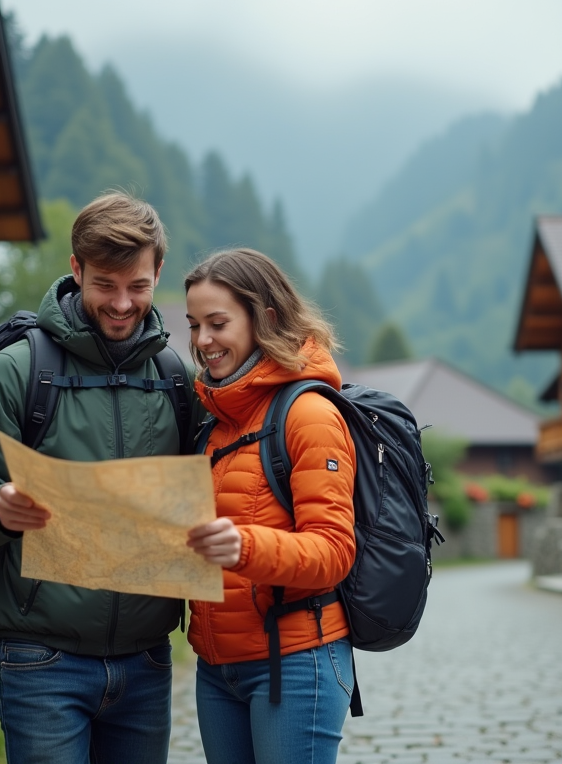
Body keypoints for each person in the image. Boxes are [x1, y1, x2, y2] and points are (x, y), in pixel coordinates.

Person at [0, 192, 204, 764]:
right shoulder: (17, 371)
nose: (121, 303)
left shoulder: (178, 380)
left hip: (148, 662)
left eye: (138, 286)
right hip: (42, 664)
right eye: (105, 284)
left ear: (159, 272)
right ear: (76, 268)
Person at [183, 248, 357, 764]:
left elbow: (332, 552)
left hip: (297, 661)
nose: (202, 342)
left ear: (267, 319)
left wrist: (243, 545)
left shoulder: (310, 415)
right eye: (193, 325)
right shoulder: (214, 424)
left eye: (217, 323)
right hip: (216, 666)